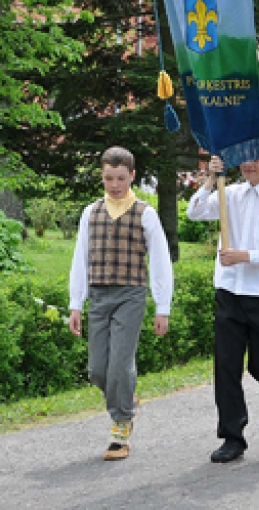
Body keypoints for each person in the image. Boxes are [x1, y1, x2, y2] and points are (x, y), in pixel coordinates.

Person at [186, 142, 259, 463]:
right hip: (229, 292)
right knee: (226, 367)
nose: (249, 164)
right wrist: (211, 179)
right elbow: (194, 212)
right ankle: (232, 436)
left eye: (257, 158)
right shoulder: (229, 193)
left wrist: (244, 256)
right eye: (245, 159)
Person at [68, 146, 174, 461]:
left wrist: (162, 307)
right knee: (97, 369)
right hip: (99, 296)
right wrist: (76, 303)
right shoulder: (91, 212)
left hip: (130, 295)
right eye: (108, 178)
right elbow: (80, 259)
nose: (115, 185)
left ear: (132, 176)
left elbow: (160, 262)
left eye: (121, 178)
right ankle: (126, 397)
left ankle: (121, 427)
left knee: (120, 364)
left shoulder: (145, 213)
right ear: (102, 177)